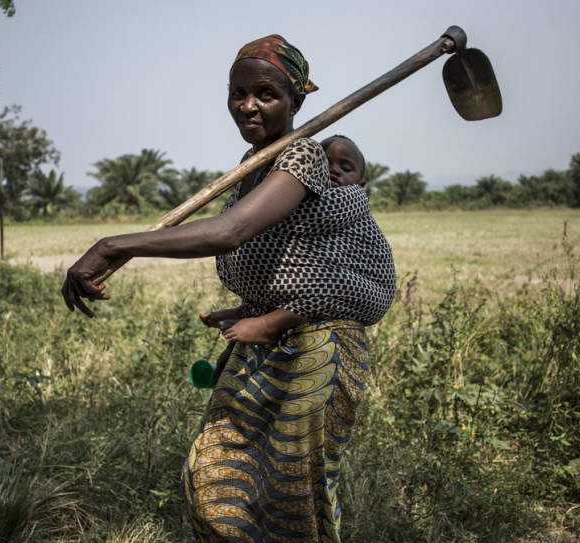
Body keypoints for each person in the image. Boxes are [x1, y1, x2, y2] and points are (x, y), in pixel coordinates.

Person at [61, 34, 395, 542]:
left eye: (266, 93)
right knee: (216, 473)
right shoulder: (252, 164)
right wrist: (246, 305)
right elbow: (288, 255)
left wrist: (112, 245)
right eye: (238, 92)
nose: (248, 105)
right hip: (263, 344)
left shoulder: (301, 156)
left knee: (290, 493)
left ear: (296, 102)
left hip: (316, 345)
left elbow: (232, 231)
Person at [199, 134, 378, 348]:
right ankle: (249, 310)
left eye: (345, 168)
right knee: (284, 265)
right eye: (324, 163)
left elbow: (268, 220)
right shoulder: (306, 194)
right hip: (316, 282)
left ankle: (269, 325)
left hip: (362, 288)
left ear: (360, 184)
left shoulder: (349, 199)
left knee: (323, 280)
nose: (333, 170)